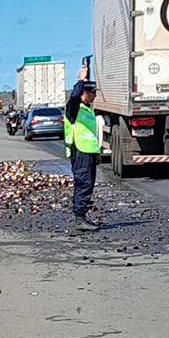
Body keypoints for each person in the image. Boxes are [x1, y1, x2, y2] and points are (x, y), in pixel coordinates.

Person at [65, 66, 101, 232]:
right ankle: (80, 218)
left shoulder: (87, 110)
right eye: (92, 92)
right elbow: (73, 96)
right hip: (79, 151)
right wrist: (81, 79)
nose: (94, 95)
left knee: (89, 183)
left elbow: (90, 133)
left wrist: (97, 153)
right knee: (83, 183)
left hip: (88, 151)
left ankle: (82, 215)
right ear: (84, 93)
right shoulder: (74, 108)